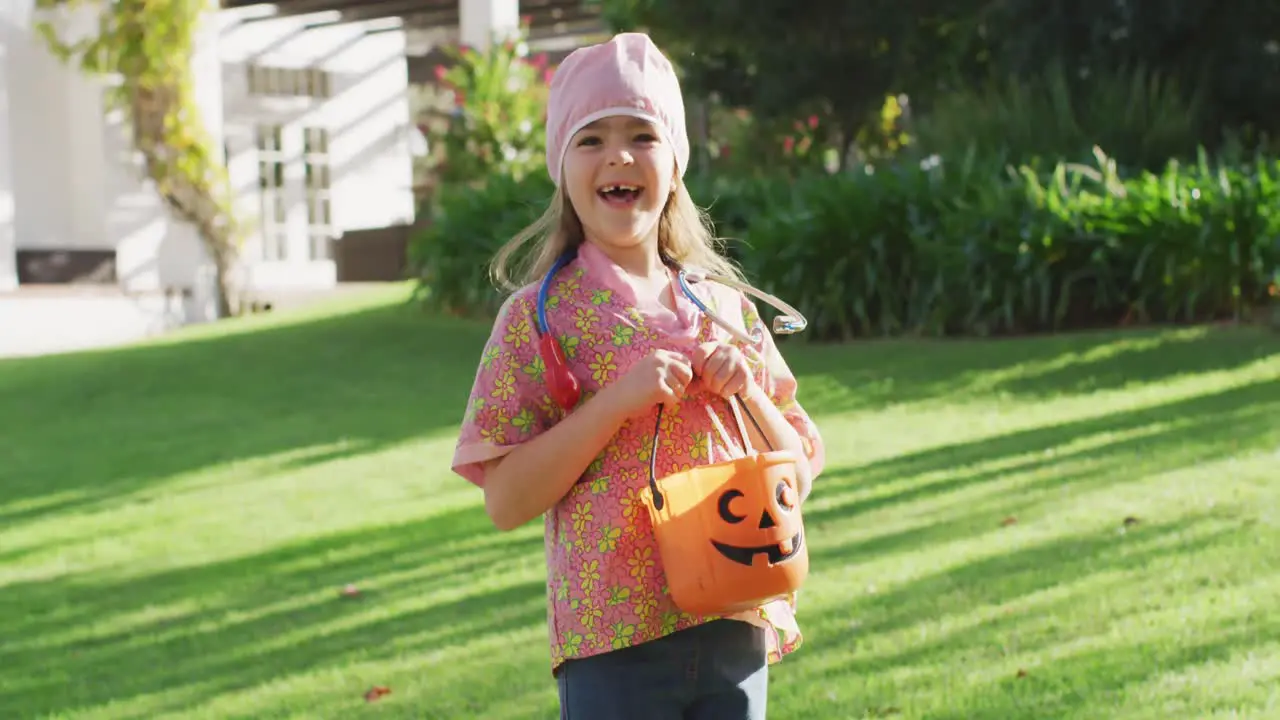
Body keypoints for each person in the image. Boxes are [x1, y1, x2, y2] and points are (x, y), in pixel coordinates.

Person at [450, 32, 826, 720]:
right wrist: (616, 403)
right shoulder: (539, 320)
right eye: (591, 139)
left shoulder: (725, 307)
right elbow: (504, 501)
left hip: (734, 619)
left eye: (642, 135)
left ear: (675, 163)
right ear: (562, 168)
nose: (618, 155)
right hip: (613, 645)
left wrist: (745, 391)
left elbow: (798, 470)